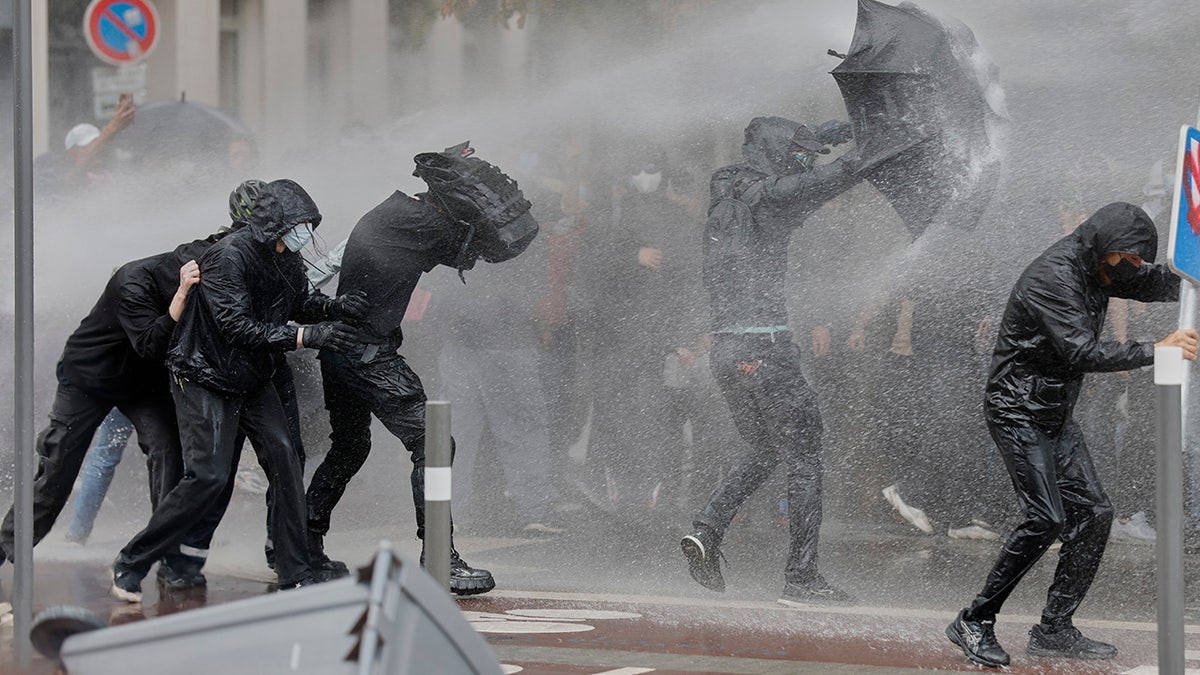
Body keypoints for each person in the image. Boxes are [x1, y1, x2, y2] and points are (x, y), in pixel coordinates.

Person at [945, 202, 1196, 668]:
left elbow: (1152, 281)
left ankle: (1054, 628)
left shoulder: (1101, 263)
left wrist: (1190, 273)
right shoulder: (1053, 277)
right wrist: (1155, 348)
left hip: (1054, 413)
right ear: (1106, 248)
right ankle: (974, 620)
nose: (1132, 268)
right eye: (1128, 259)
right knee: (1046, 519)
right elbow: (1082, 350)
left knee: (1096, 514)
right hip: (1016, 410)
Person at [110, 179, 359, 602]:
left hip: (252, 378)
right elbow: (237, 327)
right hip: (204, 376)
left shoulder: (285, 257)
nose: (306, 232)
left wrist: (334, 307)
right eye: (298, 224)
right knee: (207, 476)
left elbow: (298, 301)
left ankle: (294, 571)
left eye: (308, 224)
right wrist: (307, 337)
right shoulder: (229, 256)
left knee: (285, 460)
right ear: (274, 223)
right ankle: (131, 561)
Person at [305, 145, 537, 596]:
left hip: (342, 349)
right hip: (366, 353)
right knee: (433, 442)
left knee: (349, 448)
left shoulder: (397, 211)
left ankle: (297, 541)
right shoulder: (423, 224)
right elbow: (500, 246)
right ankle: (438, 560)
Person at [679, 116, 859, 605]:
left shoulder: (729, 187)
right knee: (804, 456)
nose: (805, 161)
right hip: (768, 350)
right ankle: (801, 578)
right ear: (781, 158)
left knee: (763, 450)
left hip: (727, 352)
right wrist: (870, 149)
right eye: (798, 154)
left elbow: (782, 162)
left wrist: (826, 134)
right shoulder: (775, 200)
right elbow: (828, 178)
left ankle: (709, 528)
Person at [0, 234, 206, 565]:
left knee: (168, 450)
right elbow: (151, 344)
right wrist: (180, 297)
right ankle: (8, 545)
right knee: (58, 468)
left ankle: (165, 554)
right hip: (86, 380)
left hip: (140, 386)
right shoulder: (132, 286)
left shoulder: (189, 289)